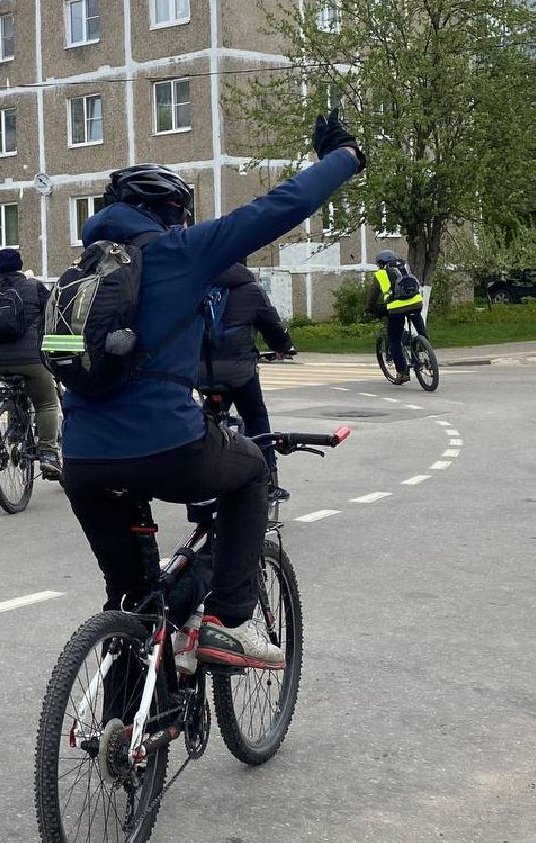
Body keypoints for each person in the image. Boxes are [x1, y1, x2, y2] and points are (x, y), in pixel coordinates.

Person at [60, 112, 363, 670]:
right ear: (171, 212)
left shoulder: (80, 274)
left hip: (81, 460)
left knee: (132, 599)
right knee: (250, 473)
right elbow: (277, 208)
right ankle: (224, 621)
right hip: (165, 445)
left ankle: (124, 738)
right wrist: (341, 158)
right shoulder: (180, 251)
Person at [198, 262, 296, 501]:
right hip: (239, 373)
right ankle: (268, 483)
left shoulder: (198, 287)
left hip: (202, 372)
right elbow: (272, 326)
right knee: (256, 418)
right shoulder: (251, 290)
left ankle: (200, 480)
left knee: (205, 425)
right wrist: (283, 347)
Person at [0, 249, 61, 478]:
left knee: (14, 389)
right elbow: (53, 317)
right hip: (31, 359)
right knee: (46, 403)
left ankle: (15, 431)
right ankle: (49, 454)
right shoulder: (34, 287)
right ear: (20, 265)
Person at [365, 249, 427, 383]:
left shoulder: (380, 274)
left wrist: (369, 308)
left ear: (381, 263)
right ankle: (425, 354)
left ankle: (401, 372)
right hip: (416, 302)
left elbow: (373, 294)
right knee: (420, 328)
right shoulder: (405, 267)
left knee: (394, 339)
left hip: (396, 309)